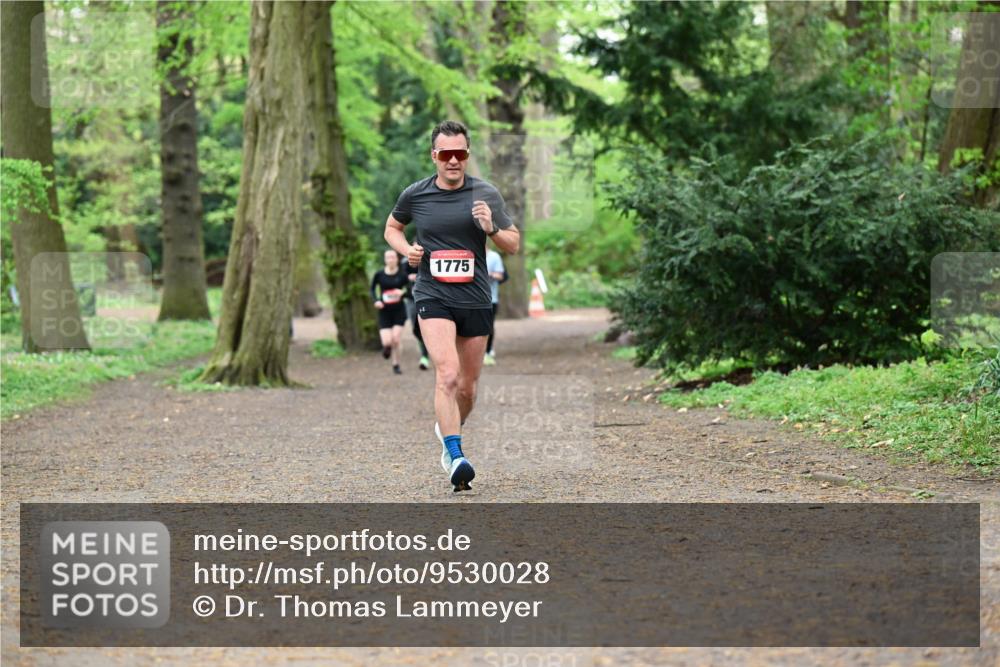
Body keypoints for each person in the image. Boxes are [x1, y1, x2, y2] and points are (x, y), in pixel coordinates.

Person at [384, 120, 520, 491]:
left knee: (467, 389)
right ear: (435, 156)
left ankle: (447, 431)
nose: (453, 160)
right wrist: (407, 250)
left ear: (467, 155)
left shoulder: (485, 193)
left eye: (460, 153)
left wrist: (491, 228)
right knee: (447, 375)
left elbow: (513, 244)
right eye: (446, 154)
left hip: (475, 298)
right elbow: (392, 228)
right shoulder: (416, 194)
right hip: (433, 294)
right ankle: (456, 455)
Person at [371, 249, 409, 374]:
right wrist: (376, 301)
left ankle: (396, 364)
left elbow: (411, 290)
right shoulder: (379, 274)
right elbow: (372, 289)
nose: (391, 259)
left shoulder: (403, 275)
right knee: (387, 342)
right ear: (385, 259)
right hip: (384, 311)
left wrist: (402, 293)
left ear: (397, 259)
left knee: (396, 339)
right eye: (388, 257)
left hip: (399, 311)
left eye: (393, 257)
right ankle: (387, 348)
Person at [402, 258, 431, 370]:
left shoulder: (429, 257)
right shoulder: (405, 262)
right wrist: (407, 277)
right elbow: (398, 279)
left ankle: (426, 355)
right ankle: (425, 350)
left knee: (428, 328)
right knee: (416, 329)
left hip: (429, 299)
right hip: (411, 300)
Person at [483, 248, 506, 366]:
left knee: (489, 326)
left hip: (491, 299)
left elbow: (501, 275)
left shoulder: (494, 256)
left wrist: (490, 275)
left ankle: (488, 350)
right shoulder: (467, 253)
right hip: (471, 299)